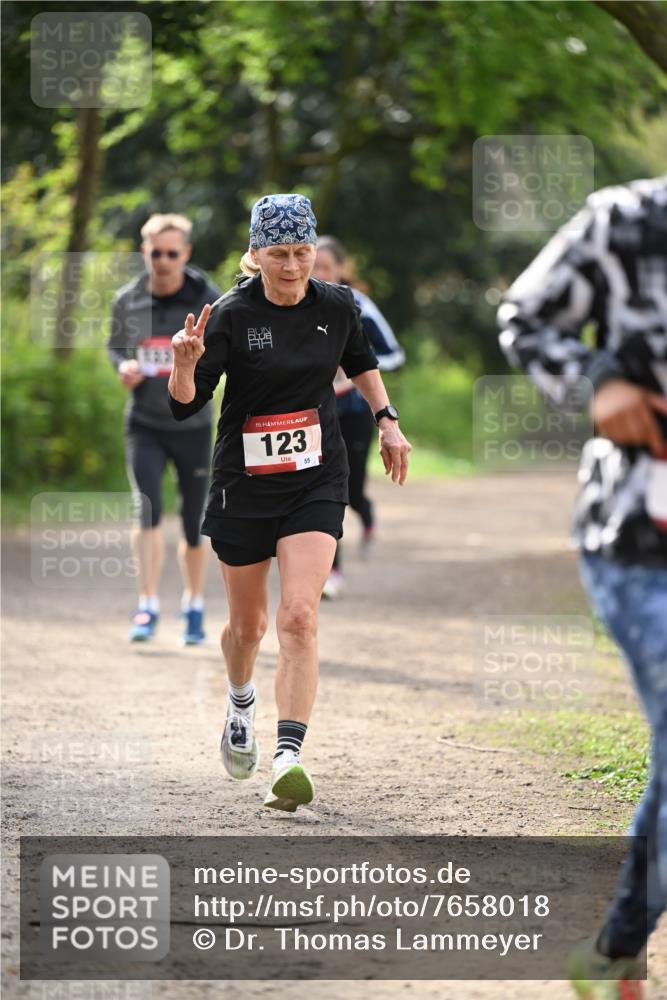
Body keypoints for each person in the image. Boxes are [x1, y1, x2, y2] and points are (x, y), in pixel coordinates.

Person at [168, 193, 411, 811]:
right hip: (243, 486)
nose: (294, 266)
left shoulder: (337, 304)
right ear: (255, 254)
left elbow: (361, 359)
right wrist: (184, 364)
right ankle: (241, 699)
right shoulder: (227, 314)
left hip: (315, 478)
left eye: (303, 252)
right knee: (246, 628)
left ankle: (288, 757)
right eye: (279, 254)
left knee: (299, 616)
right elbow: (186, 404)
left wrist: (387, 421)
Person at [498, 175, 667, 1000]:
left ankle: (614, 949)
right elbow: (523, 318)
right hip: (641, 535)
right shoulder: (629, 221)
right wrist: (598, 383)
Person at [108, 214, 221, 645]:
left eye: (172, 253)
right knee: (148, 507)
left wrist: (195, 363)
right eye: (156, 253)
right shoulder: (129, 300)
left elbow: (223, 352)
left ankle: (193, 605)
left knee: (194, 521)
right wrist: (125, 366)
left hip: (192, 423)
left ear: (185, 254)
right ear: (145, 252)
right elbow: (115, 346)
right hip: (144, 423)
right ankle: (148, 605)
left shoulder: (207, 298)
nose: (164, 260)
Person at [313, 236, 405, 599]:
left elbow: (394, 354)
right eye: (313, 265)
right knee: (324, 489)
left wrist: (356, 368)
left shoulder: (357, 305)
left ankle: (366, 517)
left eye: (325, 267)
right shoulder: (293, 304)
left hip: (353, 411)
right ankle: (331, 570)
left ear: (340, 270)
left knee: (351, 488)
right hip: (311, 415)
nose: (317, 273)